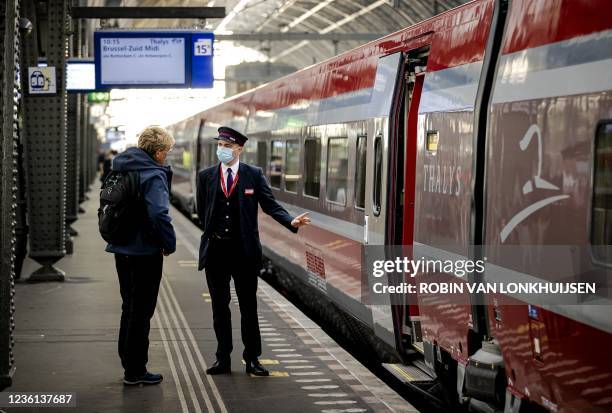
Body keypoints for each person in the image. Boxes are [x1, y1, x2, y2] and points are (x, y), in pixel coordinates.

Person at [196, 126, 310, 377]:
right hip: (216, 252)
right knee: (219, 307)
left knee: (249, 307)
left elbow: (270, 205)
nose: (222, 150)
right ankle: (222, 358)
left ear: (239, 149)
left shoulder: (253, 175)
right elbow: (202, 210)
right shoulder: (205, 176)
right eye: (220, 145)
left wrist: (290, 221)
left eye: (227, 146)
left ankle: (253, 359)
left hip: (244, 252)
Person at [105, 126, 176, 385]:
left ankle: (128, 362)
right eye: (167, 151)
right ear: (157, 152)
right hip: (144, 251)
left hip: (121, 247)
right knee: (141, 310)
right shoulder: (153, 174)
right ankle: (135, 370)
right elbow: (159, 213)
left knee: (129, 306)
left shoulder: (122, 166)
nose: (167, 155)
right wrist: (169, 243)